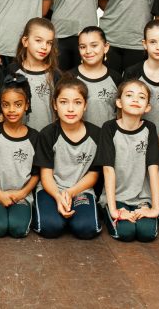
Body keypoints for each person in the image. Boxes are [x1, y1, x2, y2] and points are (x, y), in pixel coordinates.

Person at [34, 77, 104, 240]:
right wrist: (59, 196)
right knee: (51, 227)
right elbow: (46, 175)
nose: (70, 109)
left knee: (86, 229)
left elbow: (93, 174)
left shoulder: (96, 134)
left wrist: (71, 193)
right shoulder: (48, 134)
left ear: (85, 105)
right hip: (51, 190)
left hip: (81, 190)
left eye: (77, 102)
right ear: (55, 105)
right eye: (64, 102)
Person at [0, 73, 40, 238]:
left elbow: (36, 173)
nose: (11, 110)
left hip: (21, 195)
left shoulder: (34, 136)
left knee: (18, 230)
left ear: (27, 105)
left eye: (18, 104)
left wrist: (23, 193)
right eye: (6, 105)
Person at [100, 79, 159, 242]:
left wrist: (155, 209)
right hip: (117, 196)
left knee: (146, 233)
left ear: (147, 107)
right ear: (119, 102)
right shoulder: (109, 128)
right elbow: (108, 169)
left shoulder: (150, 129)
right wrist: (113, 209)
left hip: (142, 198)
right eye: (129, 95)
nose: (135, 100)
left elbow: (153, 168)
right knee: (126, 233)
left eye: (141, 97)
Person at [11, 18, 60, 132]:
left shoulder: (55, 74)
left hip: (48, 137)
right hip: (19, 136)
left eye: (49, 43)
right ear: (25, 41)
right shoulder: (12, 71)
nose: (44, 47)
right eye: (38, 40)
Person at [76, 26, 122, 128]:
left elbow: (121, 114)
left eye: (94, 45)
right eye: (83, 47)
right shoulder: (70, 78)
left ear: (106, 47)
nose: (88, 51)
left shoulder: (116, 78)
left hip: (107, 139)